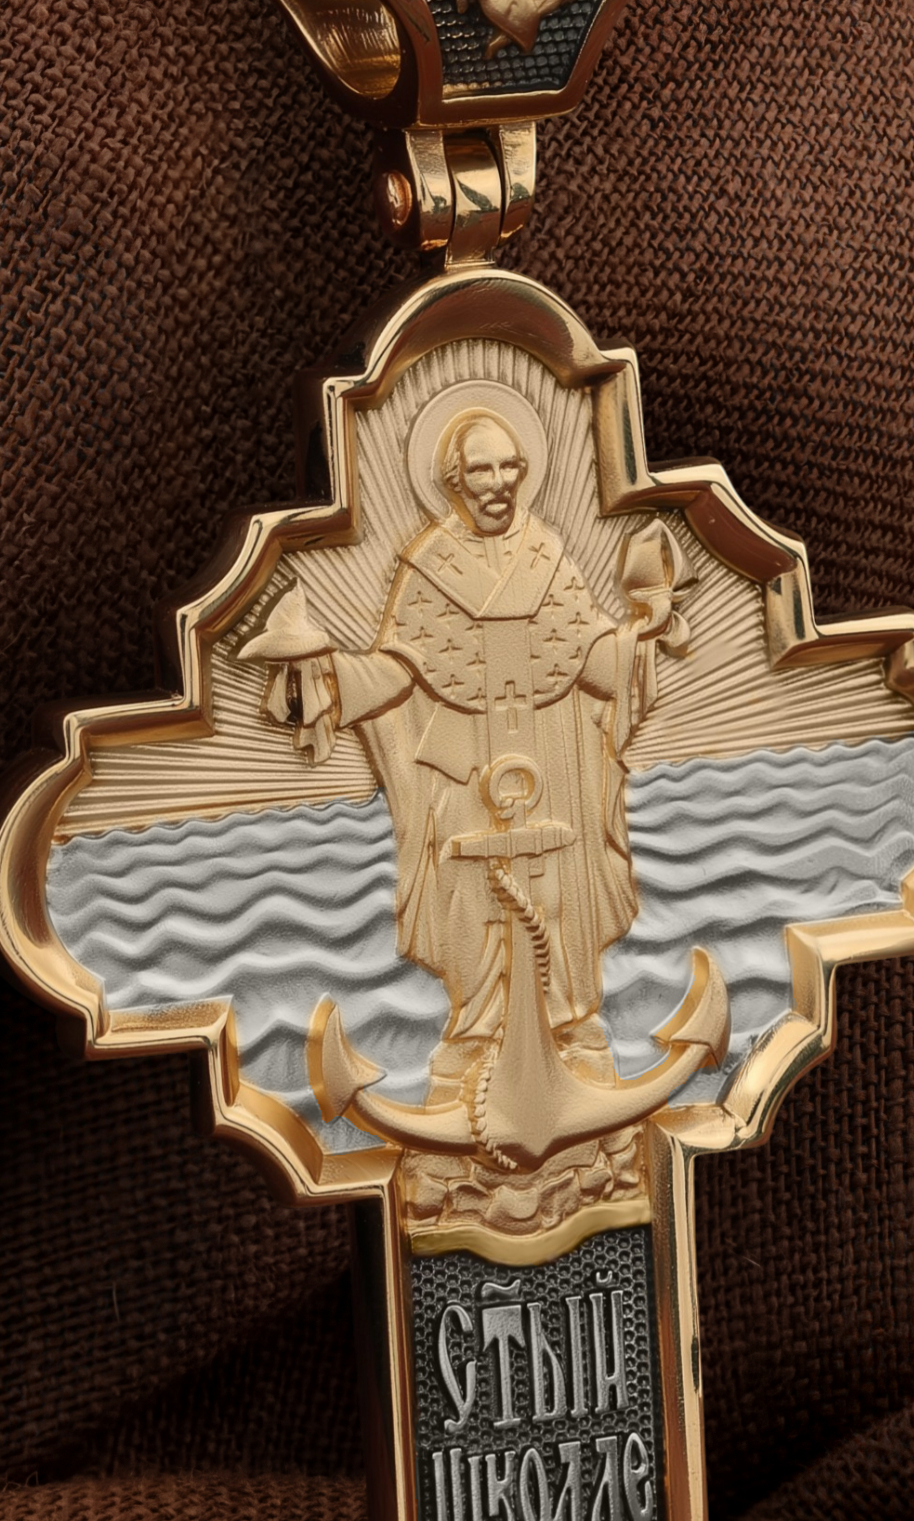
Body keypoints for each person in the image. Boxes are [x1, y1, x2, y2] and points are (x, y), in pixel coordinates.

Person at [242, 403, 686, 1098]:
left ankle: (570, 1025)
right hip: (464, 766)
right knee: (470, 898)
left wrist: (640, 636)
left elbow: (591, 661)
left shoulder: (547, 554)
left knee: (558, 893)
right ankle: (477, 1031)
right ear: (453, 481)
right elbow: (399, 670)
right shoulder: (429, 566)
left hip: (550, 758)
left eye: (511, 466)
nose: (499, 483)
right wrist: (323, 676)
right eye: (482, 469)